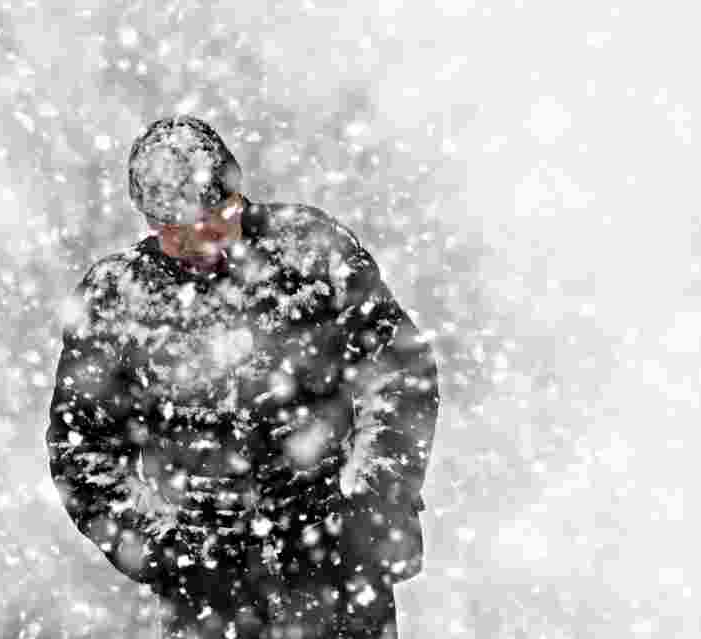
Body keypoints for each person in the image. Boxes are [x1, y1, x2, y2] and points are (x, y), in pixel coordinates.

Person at [45, 114, 439, 639]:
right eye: (181, 231)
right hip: (209, 597)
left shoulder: (310, 250)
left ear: (238, 192)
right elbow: (80, 450)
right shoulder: (117, 301)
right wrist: (165, 555)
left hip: (336, 571)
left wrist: (374, 500)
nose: (205, 239)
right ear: (150, 221)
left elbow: (398, 371)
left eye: (217, 217)